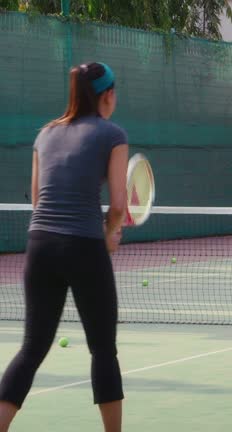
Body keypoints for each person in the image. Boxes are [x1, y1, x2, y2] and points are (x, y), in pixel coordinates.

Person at [0, 62, 128, 432]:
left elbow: (39, 200)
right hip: (85, 247)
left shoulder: (45, 135)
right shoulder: (113, 135)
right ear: (108, 94)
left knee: (31, 349)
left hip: (40, 246)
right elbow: (118, 205)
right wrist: (109, 233)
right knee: (103, 349)